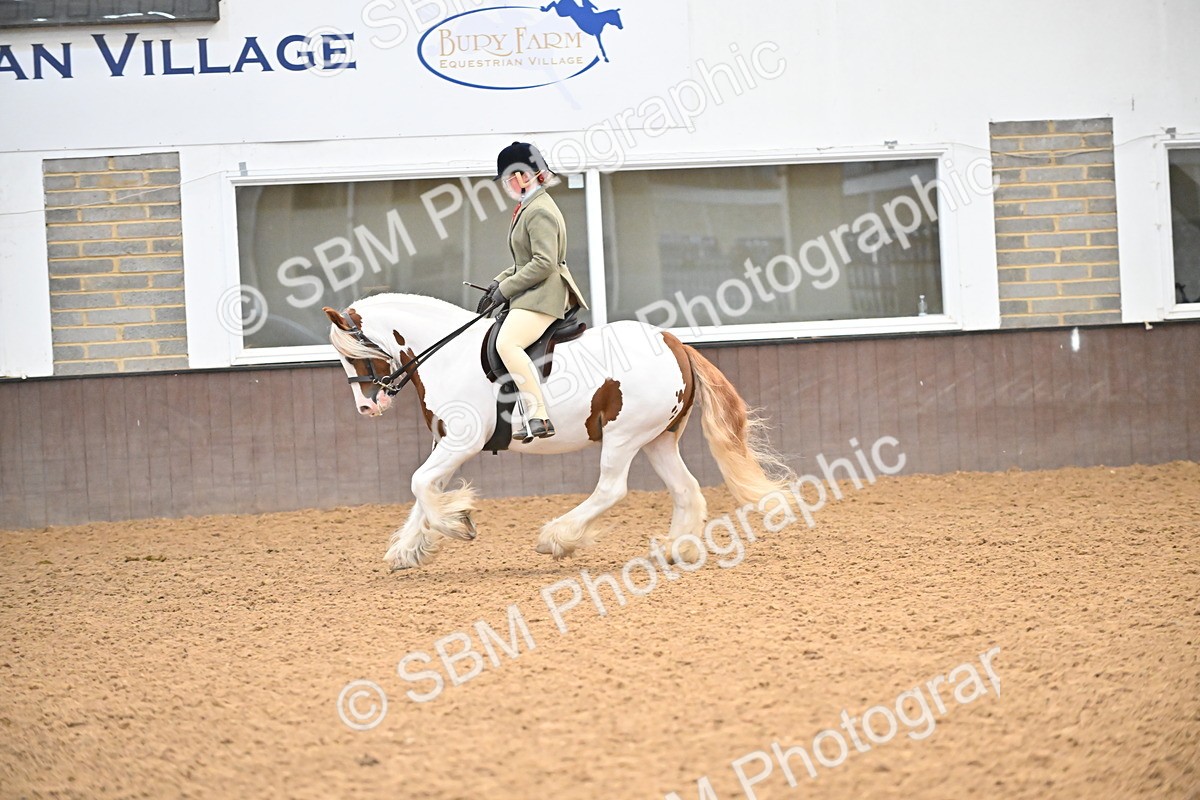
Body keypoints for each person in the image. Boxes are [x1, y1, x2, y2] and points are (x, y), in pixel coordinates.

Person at [477, 142, 588, 442]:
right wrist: (499, 283)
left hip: (545, 293)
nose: (506, 185)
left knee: (508, 343)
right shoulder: (529, 206)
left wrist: (507, 290)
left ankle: (537, 414)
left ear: (525, 175)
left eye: (509, 178)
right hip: (533, 290)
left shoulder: (539, 210)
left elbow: (543, 263)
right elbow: (523, 261)